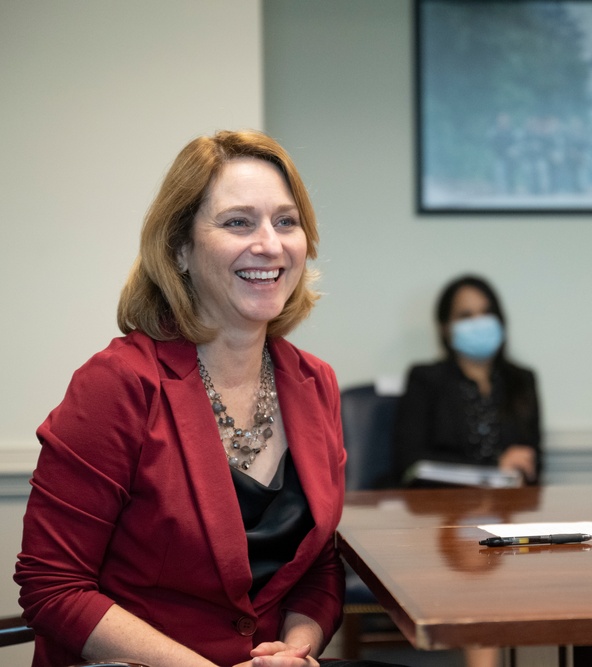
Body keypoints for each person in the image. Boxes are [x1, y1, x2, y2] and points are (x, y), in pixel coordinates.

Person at [15, 130, 402, 667]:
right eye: (238, 222)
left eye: (286, 221)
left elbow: (318, 568)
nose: (270, 243)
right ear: (180, 249)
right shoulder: (117, 383)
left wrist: (295, 650)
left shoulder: (316, 383)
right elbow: (53, 587)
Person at [392, 275, 542, 488]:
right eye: (466, 315)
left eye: (486, 313)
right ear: (445, 327)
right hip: (441, 509)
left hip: (509, 508)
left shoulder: (522, 380)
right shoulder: (425, 379)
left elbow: (533, 461)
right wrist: (494, 467)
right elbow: (409, 460)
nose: (478, 322)